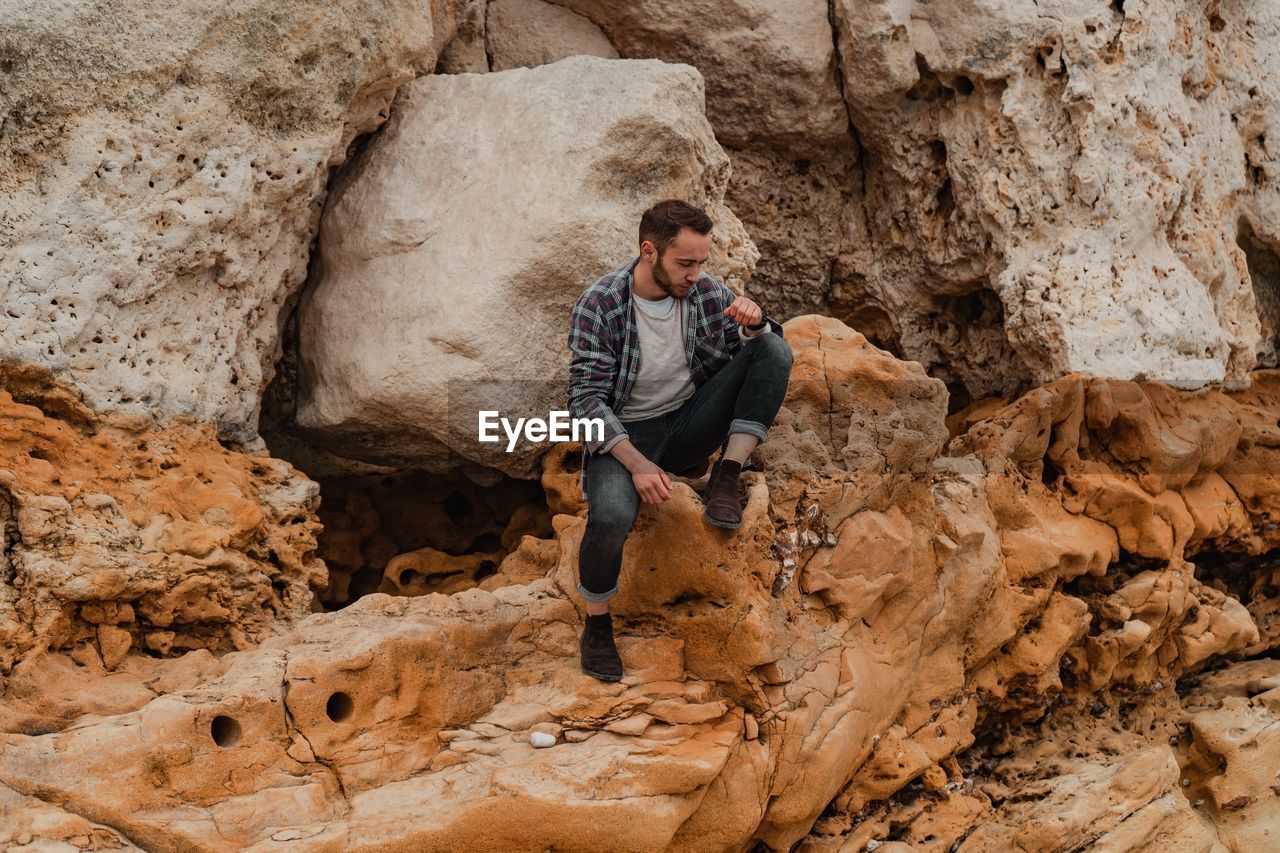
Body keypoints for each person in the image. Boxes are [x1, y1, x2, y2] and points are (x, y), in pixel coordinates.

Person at [566, 199, 794, 682]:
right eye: (684, 263)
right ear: (649, 252)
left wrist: (754, 324)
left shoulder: (706, 294)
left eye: (700, 263)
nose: (695, 274)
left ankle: (726, 475)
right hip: (625, 434)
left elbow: (753, 357)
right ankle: (598, 625)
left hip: (691, 422)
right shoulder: (601, 304)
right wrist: (638, 464)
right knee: (609, 519)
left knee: (773, 346)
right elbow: (584, 402)